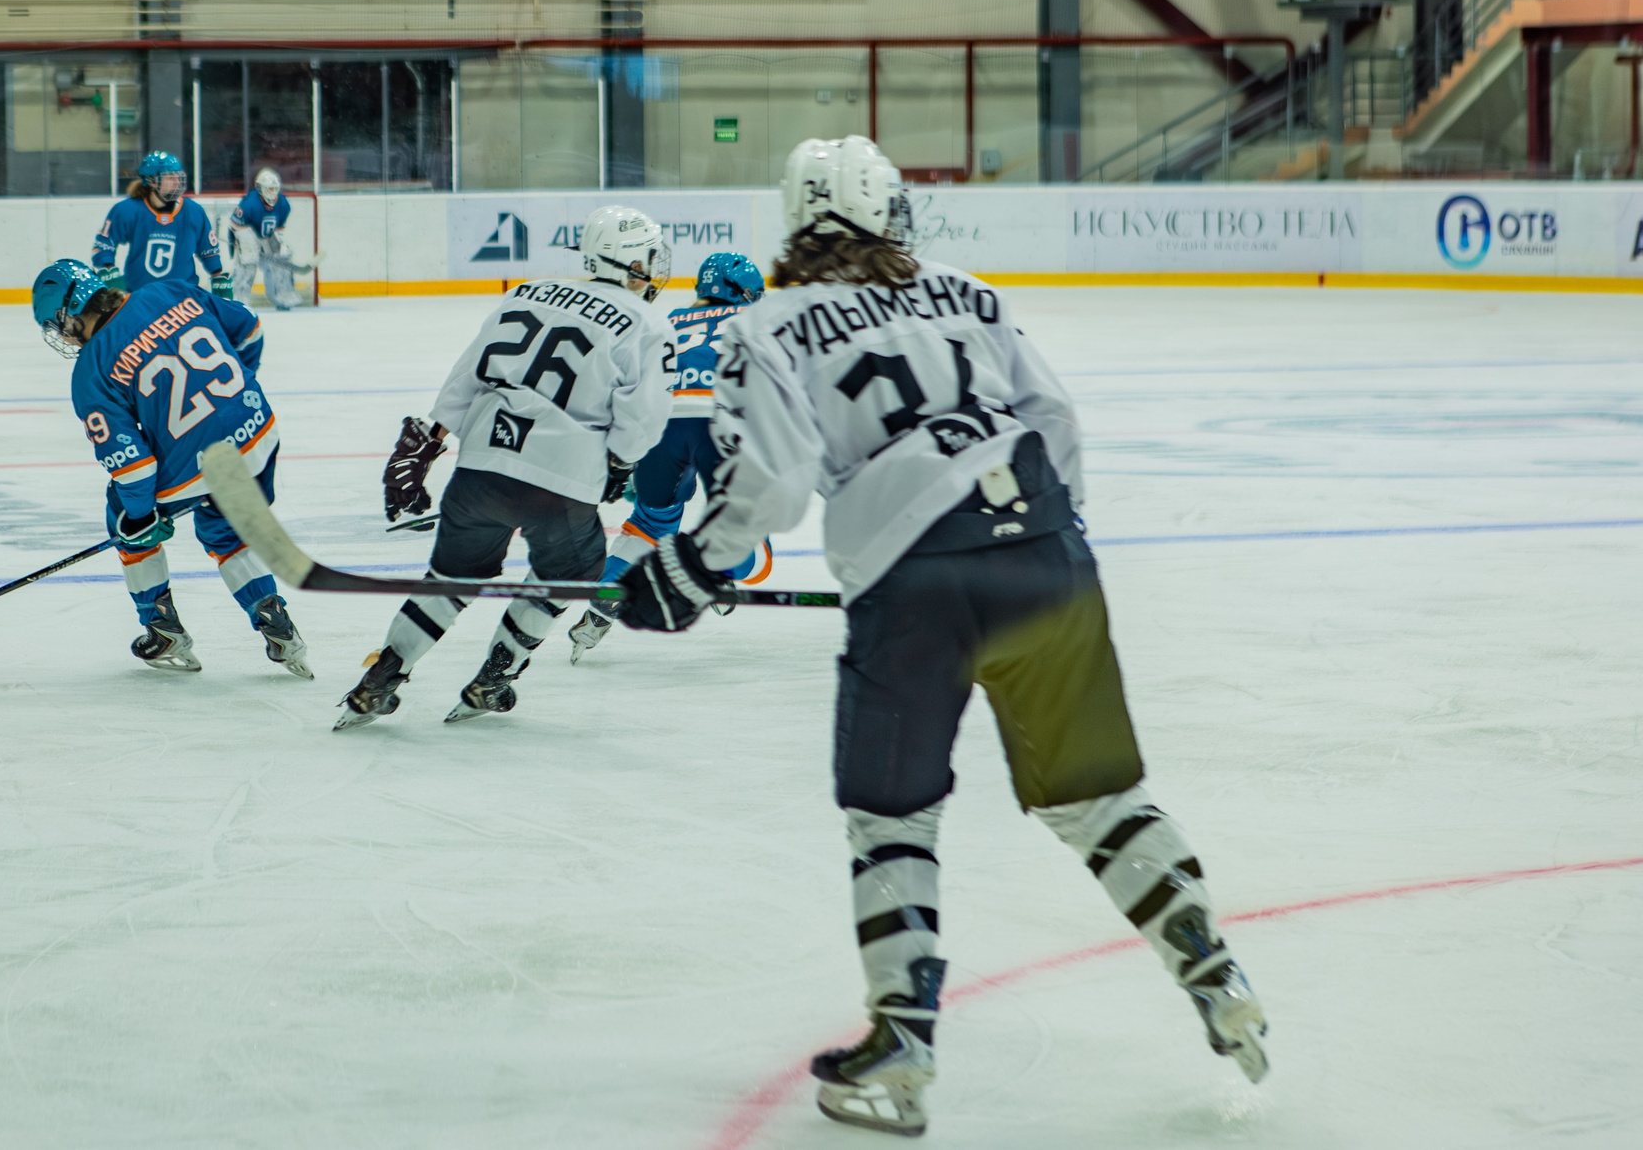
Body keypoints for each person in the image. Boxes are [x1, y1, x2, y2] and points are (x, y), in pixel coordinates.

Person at [617, 136, 1268, 1137]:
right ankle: (1210, 968)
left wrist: (688, 570)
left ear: (794, 221)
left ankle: (905, 1044)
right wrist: (1037, 546)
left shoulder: (772, 320)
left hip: (908, 571)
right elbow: (1053, 419)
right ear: (893, 216)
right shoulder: (968, 292)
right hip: (1045, 548)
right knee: (1096, 798)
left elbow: (774, 487)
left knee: (893, 818)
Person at [345, 204, 676, 729]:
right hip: (561, 477)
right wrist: (621, 463)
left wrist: (431, 441)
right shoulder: (648, 322)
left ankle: (382, 675)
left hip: (482, 462)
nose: (656, 267)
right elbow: (644, 415)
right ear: (630, 260)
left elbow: (467, 376)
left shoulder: (524, 292)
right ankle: (493, 678)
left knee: (451, 578)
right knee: (571, 575)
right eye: (650, 257)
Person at [32, 256, 310, 678]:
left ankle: (161, 627)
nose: (63, 339)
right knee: (222, 527)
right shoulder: (169, 290)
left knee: (122, 512)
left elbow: (134, 467)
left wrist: (140, 518)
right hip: (261, 431)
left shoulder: (91, 371)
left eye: (58, 326)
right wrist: (235, 396)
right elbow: (250, 329)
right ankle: (277, 623)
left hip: (202, 467)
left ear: (69, 313)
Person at [566, 249, 775, 664]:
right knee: (753, 548)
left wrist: (621, 453)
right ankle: (706, 573)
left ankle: (604, 599)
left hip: (657, 428)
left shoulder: (664, 321)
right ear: (740, 294)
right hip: (720, 425)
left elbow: (620, 383)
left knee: (649, 522)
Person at [93, 151, 228, 298]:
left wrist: (218, 275)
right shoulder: (128, 210)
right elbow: (104, 245)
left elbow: (208, 250)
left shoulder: (193, 211)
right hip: (140, 296)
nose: (177, 182)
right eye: (170, 178)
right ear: (152, 181)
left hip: (184, 299)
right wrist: (107, 267)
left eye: (178, 177)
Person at [228, 167, 308, 309]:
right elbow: (235, 227)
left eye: (274, 188)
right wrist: (242, 245)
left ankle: (283, 296)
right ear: (260, 188)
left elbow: (278, 230)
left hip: (267, 237)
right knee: (249, 257)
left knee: (281, 256)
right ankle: (239, 299)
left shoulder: (283, 204)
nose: (272, 192)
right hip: (247, 233)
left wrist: (274, 246)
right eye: (269, 189)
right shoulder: (249, 204)